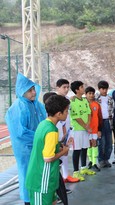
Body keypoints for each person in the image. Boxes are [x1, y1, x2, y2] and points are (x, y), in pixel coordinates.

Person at [5, 73, 46, 205]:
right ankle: (28, 200)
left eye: (34, 89)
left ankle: (39, 198)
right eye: (30, 90)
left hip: (38, 146)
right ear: (22, 91)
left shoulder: (37, 105)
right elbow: (20, 133)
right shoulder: (17, 108)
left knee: (38, 173)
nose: (34, 92)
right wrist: (40, 137)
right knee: (27, 174)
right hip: (25, 149)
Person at [25, 95, 70, 205]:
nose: (67, 113)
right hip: (41, 181)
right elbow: (48, 158)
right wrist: (63, 152)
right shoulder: (52, 131)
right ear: (59, 114)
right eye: (66, 111)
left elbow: (45, 146)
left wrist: (58, 146)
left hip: (47, 179)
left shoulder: (44, 124)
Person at [70, 81, 96, 181]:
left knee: (85, 148)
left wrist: (88, 124)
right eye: (81, 87)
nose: (83, 88)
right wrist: (85, 126)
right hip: (77, 130)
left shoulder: (85, 100)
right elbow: (76, 117)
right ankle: (76, 172)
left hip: (86, 129)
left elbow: (89, 113)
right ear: (77, 90)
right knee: (77, 150)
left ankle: (83, 168)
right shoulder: (73, 101)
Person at [55, 79, 79, 184]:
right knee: (57, 154)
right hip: (58, 132)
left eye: (67, 87)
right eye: (64, 87)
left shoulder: (68, 99)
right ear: (57, 88)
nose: (66, 89)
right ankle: (57, 179)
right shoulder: (53, 100)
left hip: (68, 131)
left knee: (65, 152)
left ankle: (65, 176)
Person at [95, 80, 115, 168]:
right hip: (100, 122)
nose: (104, 90)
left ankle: (107, 159)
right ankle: (101, 160)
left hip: (108, 122)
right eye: (102, 89)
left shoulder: (110, 98)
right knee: (101, 142)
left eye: (106, 89)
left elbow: (113, 109)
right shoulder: (95, 99)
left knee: (109, 142)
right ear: (99, 89)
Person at [85, 86, 102, 172]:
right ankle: (90, 161)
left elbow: (100, 117)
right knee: (89, 144)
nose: (91, 95)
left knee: (94, 144)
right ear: (86, 94)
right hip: (86, 129)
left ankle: (94, 162)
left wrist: (99, 129)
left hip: (95, 128)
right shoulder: (83, 103)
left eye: (92, 93)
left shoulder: (97, 105)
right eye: (89, 93)